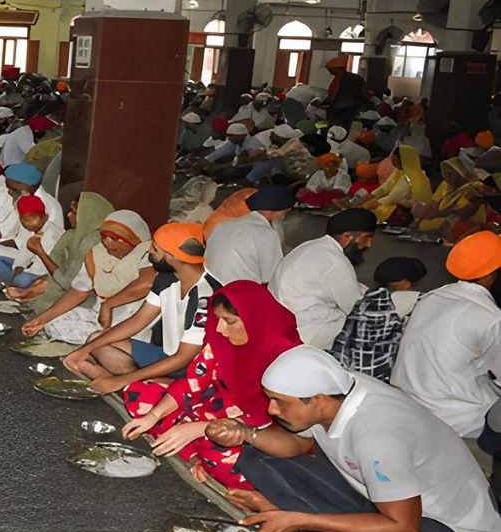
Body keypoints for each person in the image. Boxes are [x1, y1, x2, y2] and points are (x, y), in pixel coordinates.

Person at [206, 346, 500, 532]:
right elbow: (298, 445)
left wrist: (299, 520)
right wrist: (244, 433)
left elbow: (405, 530)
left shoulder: (376, 434)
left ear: (317, 400)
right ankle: (299, 521)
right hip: (379, 495)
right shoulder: (337, 389)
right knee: (254, 456)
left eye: (280, 402)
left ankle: (297, 522)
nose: (271, 409)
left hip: (446, 526)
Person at [121, 281, 300, 489]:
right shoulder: (221, 341)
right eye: (218, 319)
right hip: (208, 406)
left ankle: (188, 447)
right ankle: (190, 451)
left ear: (255, 320)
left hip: (248, 429)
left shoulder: (286, 358)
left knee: (228, 459)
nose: (219, 328)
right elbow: (193, 383)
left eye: (229, 321)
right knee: (140, 393)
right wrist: (153, 416)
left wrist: (200, 429)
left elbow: (271, 422)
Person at [61, 222, 217, 394]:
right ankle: (142, 386)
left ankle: (140, 386)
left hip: (192, 368)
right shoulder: (168, 279)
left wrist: (122, 379)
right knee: (96, 340)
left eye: (155, 249)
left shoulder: (206, 296)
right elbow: (138, 321)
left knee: (94, 362)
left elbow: (184, 358)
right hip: (167, 355)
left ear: (173, 257)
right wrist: (83, 351)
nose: (149, 251)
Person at [391, 231, 501, 438]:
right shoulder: (490, 318)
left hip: (408, 403)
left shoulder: (434, 297)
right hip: (455, 417)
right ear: (489, 275)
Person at [21, 209, 153, 348]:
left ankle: (102, 347)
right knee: (52, 323)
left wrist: (108, 305)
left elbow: (147, 283)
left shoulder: (147, 254)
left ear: (132, 239)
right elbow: (78, 291)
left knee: (98, 338)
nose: (107, 242)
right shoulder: (97, 254)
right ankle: (96, 345)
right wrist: (41, 320)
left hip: (131, 320)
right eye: (104, 236)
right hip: (98, 315)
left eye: (115, 238)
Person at [269, 208, 374, 350]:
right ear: (346, 237)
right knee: (369, 326)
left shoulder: (312, 246)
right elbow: (354, 306)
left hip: (280, 319)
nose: (369, 244)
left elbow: (347, 285)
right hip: (302, 331)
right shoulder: (335, 262)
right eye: (367, 237)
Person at [330, 256, 429, 381]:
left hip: (345, 369)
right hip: (377, 375)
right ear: (404, 282)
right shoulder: (409, 302)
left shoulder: (365, 302)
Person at [14, 189, 114, 310]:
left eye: (74, 213)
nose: (69, 215)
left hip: (82, 299)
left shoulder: (91, 242)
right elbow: (55, 267)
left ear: (87, 215)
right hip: (61, 285)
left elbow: (69, 284)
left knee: (36, 299)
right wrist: (36, 287)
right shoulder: (72, 234)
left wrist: (40, 252)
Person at [205, 184, 290, 285]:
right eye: (286, 212)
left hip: (209, 282)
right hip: (237, 289)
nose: (284, 216)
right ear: (275, 211)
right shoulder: (267, 234)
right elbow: (272, 276)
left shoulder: (225, 224)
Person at [325, 54, 367, 129]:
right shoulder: (356, 77)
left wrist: (325, 103)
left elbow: (333, 93)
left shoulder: (341, 79)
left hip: (341, 107)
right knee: (345, 126)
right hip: (351, 106)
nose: (330, 72)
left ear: (336, 69)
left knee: (337, 126)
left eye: (330, 70)